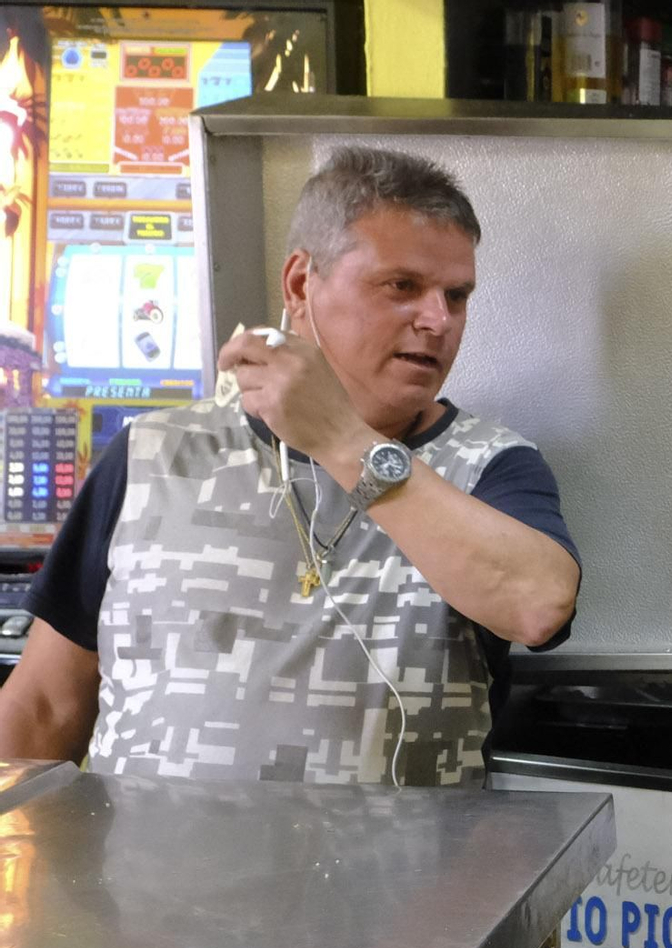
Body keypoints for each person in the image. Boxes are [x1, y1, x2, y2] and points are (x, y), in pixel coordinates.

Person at [0, 146, 580, 786]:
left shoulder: (488, 466)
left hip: (402, 882)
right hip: (151, 880)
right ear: (301, 284)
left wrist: (340, 438)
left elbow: (537, 605)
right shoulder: (152, 453)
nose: (437, 319)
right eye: (402, 286)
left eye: (457, 295)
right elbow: (45, 703)